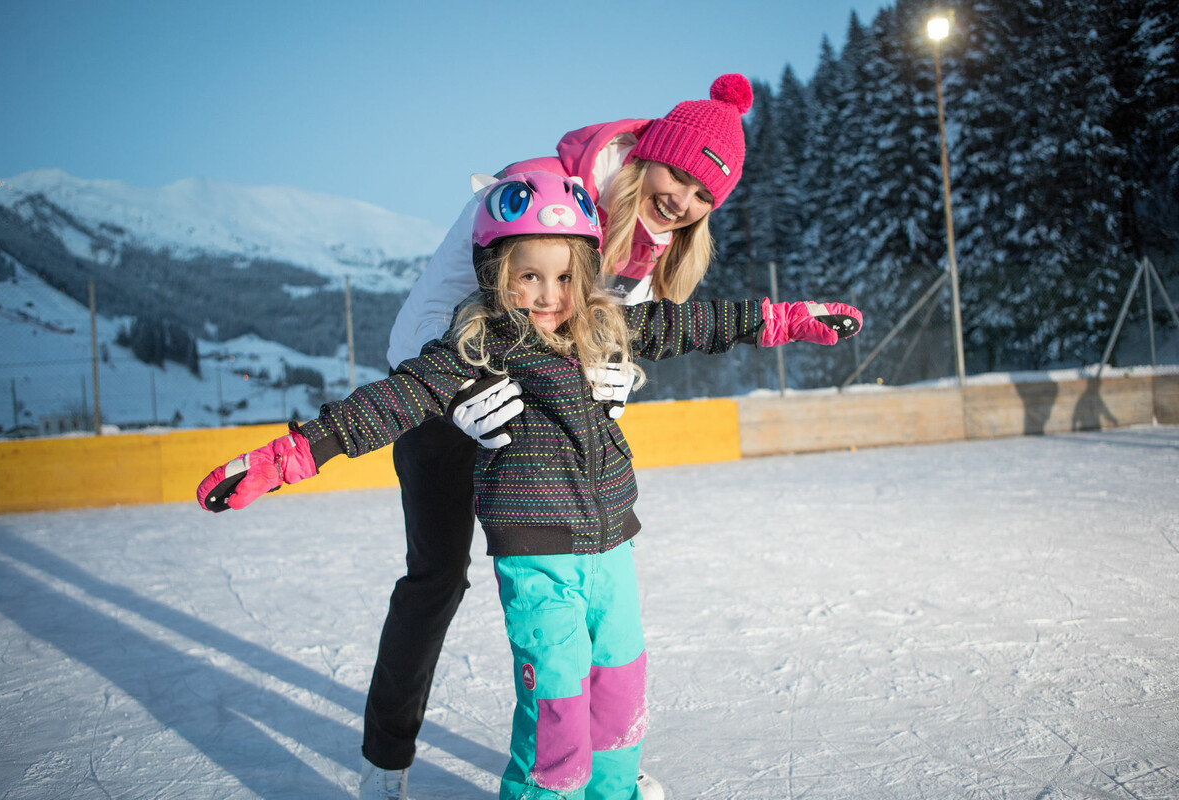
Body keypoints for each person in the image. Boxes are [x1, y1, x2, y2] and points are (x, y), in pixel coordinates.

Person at [196, 170, 862, 800]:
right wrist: (284, 459)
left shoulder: (602, 327)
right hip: (538, 551)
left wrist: (788, 319)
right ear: (497, 274)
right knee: (558, 702)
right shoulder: (474, 348)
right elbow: (386, 404)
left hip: (612, 545)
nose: (549, 296)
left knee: (620, 693)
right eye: (530, 277)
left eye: (566, 277)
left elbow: (697, 324)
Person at [362, 74, 759, 800]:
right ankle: (387, 759)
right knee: (436, 578)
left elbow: (615, 336)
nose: (684, 201)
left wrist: (614, 379)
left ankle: (600, 751)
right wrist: (460, 397)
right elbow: (429, 309)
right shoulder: (526, 190)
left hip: (541, 429)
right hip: (446, 402)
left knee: (587, 580)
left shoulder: (653, 244)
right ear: (650, 154)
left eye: (705, 195)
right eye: (680, 176)